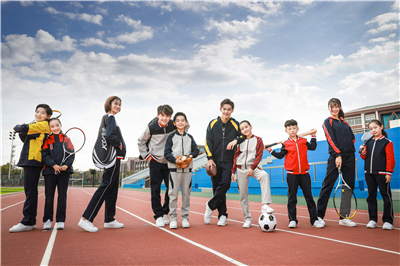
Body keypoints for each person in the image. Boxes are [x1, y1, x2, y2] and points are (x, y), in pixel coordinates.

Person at [78, 96, 126, 233]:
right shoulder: (110, 117)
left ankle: (109, 219)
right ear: (109, 105)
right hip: (113, 157)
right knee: (106, 186)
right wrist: (120, 144)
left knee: (112, 188)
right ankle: (86, 219)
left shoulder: (109, 118)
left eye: (119, 104)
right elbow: (110, 136)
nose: (118, 106)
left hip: (115, 157)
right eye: (115, 103)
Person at [267, 119, 323, 228]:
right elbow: (280, 156)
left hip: (304, 174)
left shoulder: (303, 140)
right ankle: (292, 220)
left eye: (294, 128)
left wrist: (314, 136)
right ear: (286, 130)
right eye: (290, 129)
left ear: (297, 129)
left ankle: (314, 220)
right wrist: (270, 150)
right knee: (292, 198)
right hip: (292, 174)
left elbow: (313, 147)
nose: (292, 130)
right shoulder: (285, 143)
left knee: (309, 198)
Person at [9, 104, 52, 233]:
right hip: (29, 160)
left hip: (33, 160)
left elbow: (23, 128)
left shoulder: (43, 125)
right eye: (37, 112)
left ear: (48, 116)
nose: (38, 114)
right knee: (29, 191)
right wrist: (22, 131)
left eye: (42, 113)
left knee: (30, 191)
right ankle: (30, 220)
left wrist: (18, 127)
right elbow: (26, 138)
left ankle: (28, 221)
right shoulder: (36, 127)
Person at [204, 98, 245, 226]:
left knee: (225, 184)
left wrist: (236, 141)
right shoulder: (212, 123)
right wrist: (210, 158)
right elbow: (207, 141)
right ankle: (222, 215)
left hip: (228, 160)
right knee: (217, 188)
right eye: (224, 109)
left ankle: (210, 205)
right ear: (220, 109)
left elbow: (243, 135)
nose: (226, 112)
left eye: (229, 109)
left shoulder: (235, 124)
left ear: (232, 110)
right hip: (214, 160)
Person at [316, 98, 357, 227]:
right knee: (328, 185)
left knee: (348, 187)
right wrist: (338, 154)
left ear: (340, 107)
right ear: (329, 108)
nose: (334, 109)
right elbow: (330, 139)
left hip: (350, 157)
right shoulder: (327, 122)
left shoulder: (345, 123)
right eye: (332, 107)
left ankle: (344, 217)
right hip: (336, 157)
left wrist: (348, 149)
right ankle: (318, 216)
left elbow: (353, 139)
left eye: (337, 106)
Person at [231, 120, 274, 229]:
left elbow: (259, 155)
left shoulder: (258, 140)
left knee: (264, 175)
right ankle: (247, 219)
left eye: (246, 127)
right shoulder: (240, 141)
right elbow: (235, 157)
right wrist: (233, 171)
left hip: (253, 167)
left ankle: (265, 205)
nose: (245, 130)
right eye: (242, 129)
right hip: (240, 169)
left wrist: (252, 168)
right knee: (243, 196)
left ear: (251, 126)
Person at [138, 105, 175, 227]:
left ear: (170, 116)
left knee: (171, 189)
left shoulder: (173, 125)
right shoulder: (152, 127)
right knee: (155, 189)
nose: (165, 118)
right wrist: (147, 157)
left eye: (168, 116)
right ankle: (158, 216)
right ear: (158, 114)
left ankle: (165, 212)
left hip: (169, 161)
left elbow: (185, 126)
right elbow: (140, 141)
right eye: (162, 115)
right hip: (155, 161)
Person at [164, 112, 199, 229]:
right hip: (174, 170)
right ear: (174, 123)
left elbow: (196, 151)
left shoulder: (190, 137)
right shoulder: (171, 137)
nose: (180, 122)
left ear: (186, 122)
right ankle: (173, 218)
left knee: (186, 195)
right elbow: (167, 153)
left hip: (187, 171)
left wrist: (189, 157)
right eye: (178, 120)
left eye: (182, 120)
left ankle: (185, 218)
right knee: (172, 195)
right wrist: (175, 160)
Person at [360, 119, 395, 230]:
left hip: (382, 174)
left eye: (375, 127)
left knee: (386, 196)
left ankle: (388, 221)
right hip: (369, 174)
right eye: (371, 129)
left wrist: (388, 172)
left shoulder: (387, 142)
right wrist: (362, 151)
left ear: (381, 127)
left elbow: (390, 159)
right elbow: (364, 157)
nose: (373, 130)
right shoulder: (368, 142)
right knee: (371, 197)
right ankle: (373, 220)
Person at [42, 118, 74, 230]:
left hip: (64, 172)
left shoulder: (66, 139)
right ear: (49, 128)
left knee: (62, 196)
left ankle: (60, 221)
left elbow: (71, 153)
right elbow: (45, 155)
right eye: (52, 126)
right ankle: (47, 220)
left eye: (57, 125)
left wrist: (67, 165)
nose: (55, 128)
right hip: (50, 171)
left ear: (60, 125)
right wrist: (54, 165)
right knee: (49, 196)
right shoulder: (47, 140)